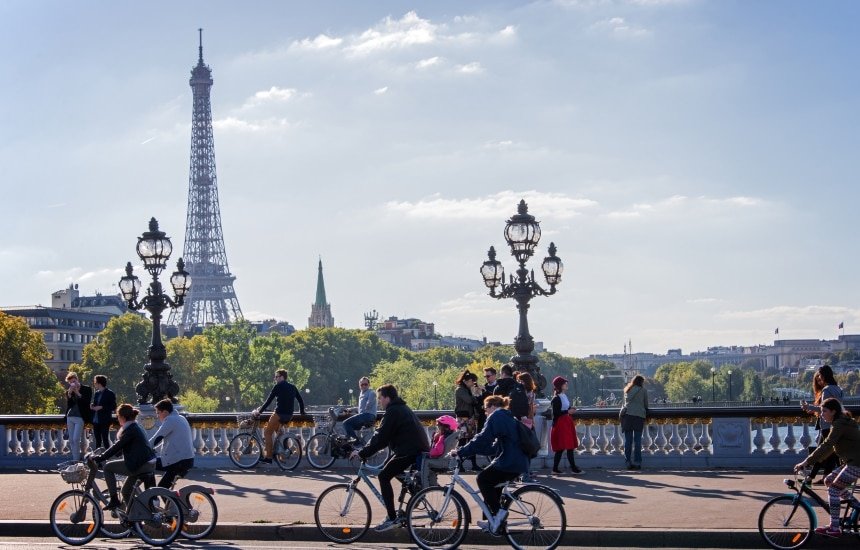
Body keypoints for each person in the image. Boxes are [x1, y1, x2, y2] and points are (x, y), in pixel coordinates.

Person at [351, 384, 429, 532]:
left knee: (383, 476)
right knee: (389, 468)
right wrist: (367, 449)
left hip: (409, 451)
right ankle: (416, 493)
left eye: (380, 398)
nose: (379, 401)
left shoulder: (393, 411)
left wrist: (361, 453)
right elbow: (382, 438)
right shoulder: (400, 408)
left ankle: (392, 518)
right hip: (413, 449)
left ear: (387, 397)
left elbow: (381, 438)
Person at [451, 395, 529, 535]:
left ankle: (499, 514)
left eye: (485, 409)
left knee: (482, 479)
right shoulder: (507, 416)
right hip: (517, 461)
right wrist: (468, 452)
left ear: (492, 406)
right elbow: (492, 447)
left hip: (509, 462)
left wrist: (461, 452)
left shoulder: (496, 416)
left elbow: (481, 438)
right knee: (492, 484)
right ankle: (493, 521)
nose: (485, 412)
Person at [794, 398, 860, 538]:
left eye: (824, 411)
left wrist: (806, 462)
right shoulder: (840, 421)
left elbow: (827, 445)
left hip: (857, 463)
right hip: (852, 461)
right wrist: (814, 461)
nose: (821, 414)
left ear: (833, 411)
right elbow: (829, 448)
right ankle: (857, 507)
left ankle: (834, 527)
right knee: (829, 480)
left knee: (834, 489)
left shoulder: (839, 424)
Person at [93, 404, 156, 511]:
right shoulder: (135, 426)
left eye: (118, 417)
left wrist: (100, 458)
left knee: (108, 468)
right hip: (146, 463)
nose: (117, 419)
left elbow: (117, 446)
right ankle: (134, 518)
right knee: (126, 491)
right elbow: (123, 447)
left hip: (140, 465)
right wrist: (114, 454)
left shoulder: (130, 430)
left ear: (122, 417)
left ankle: (114, 500)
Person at [253, 369, 306, 465]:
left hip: (279, 414)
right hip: (289, 415)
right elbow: (300, 400)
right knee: (280, 433)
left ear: (282, 377)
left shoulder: (277, 387)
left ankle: (268, 457)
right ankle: (281, 456)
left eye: (276, 377)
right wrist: (302, 412)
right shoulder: (293, 387)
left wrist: (259, 412)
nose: (275, 379)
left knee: (267, 433)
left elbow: (268, 401)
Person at [802, 365, 844, 483]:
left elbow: (823, 409)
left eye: (820, 376)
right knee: (831, 453)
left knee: (820, 452)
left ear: (824, 376)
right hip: (836, 423)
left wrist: (808, 407)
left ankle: (810, 478)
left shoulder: (826, 390)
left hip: (826, 424)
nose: (819, 378)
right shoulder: (838, 389)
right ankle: (826, 476)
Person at [150, 399, 195, 488]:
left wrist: (143, 448)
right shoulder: (180, 418)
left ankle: (153, 498)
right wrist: (153, 449)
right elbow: (165, 442)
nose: (157, 416)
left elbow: (157, 438)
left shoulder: (170, 420)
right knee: (164, 487)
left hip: (178, 461)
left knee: (148, 465)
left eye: (158, 413)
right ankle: (171, 501)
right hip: (187, 460)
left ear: (165, 412)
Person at [549, 376, 583, 475]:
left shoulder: (563, 396)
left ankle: (556, 469)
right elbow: (556, 413)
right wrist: (568, 411)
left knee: (567, 446)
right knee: (566, 446)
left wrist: (571, 408)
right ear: (560, 386)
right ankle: (572, 468)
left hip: (566, 422)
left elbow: (565, 408)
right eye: (564, 383)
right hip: (561, 423)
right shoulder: (556, 398)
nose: (566, 384)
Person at [454, 370, 483, 472]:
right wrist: (475, 393)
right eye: (473, 382)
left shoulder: (466, 389)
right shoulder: (460, 390)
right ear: (468, 381)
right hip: (463, 418)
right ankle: (459, 464)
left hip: (469, 418)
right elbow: (470, 401)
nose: (473, 384)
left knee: (471, 441)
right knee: (462, 441)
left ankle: (473, 464)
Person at [421, 415, 460, 487]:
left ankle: (424, 486)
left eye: (439, 426)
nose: (438, 428)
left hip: (441, 462)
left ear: (446, 427)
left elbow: (438, 451)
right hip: (445, 461)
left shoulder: (442, 437)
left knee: (425, 460)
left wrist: (429, 452)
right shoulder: (450, 436)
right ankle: (433, 485)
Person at [64, 372, 92, 461]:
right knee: (71, 440)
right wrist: (69, 394)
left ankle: (78, 458)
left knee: (76, 439)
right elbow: (69, 405)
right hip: (70, 416)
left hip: (80, 417)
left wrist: (78, 393)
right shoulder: (69, 391)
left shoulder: (87, 389)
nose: (73, 383)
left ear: (77, 379)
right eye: (71, 382)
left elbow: (86, 402)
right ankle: (75, 459)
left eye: (74, 381)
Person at [622, 375, 648, 470]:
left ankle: (628, 461)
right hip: (639, 417)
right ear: (641, 382)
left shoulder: (627, 389)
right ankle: (637, 462)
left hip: (628, 416)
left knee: (628, 441)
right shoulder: (643, 390)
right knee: (637, 441)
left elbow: (625, 403)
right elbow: (646, 404)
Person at [342, 377, 377, 444]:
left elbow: (369, 403)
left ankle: (356, 442)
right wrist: (350, 409)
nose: (363, 386)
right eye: (362, 385)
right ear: (359, 385)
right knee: (349, 428)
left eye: (365, 384)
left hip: (368, 416)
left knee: (346, 423)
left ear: (369, 384)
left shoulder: (371, 392)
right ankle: (355, 445)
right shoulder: (361, 393)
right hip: (363, 416)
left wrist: (368, 403)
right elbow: (360, 408)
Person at [90, 375, 116, 450]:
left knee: (105, 439)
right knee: (97, 440)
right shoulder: (97, 393)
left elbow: (113, 406)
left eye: (95, 383)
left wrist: (102, 407)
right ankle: (98, 458)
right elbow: (95, 404)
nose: (94, 384)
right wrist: (92, 406)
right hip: (96, 420)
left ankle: (107, 457)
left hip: (105, 420)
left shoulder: (110, 393)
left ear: (99, 383)